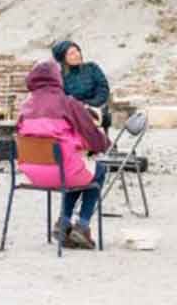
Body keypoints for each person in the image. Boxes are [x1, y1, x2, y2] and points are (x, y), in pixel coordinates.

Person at [16, 60, 111, 249]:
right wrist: (102, 144)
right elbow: (94, 136)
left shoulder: (25, 106)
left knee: (73, 171)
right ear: (57, 79)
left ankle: (64, 222)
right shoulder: (67, 103)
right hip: (63, 172)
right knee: (97, 170)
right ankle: (82, 226)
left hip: (33, 175)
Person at [51, 40, 111, 132]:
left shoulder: (92, 68)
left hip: (95, 109)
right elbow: (61, 99)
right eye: (71, 53)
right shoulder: (59, 77)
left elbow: (103, 89)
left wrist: (89, 105)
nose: (77, 55)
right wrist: (79, 107)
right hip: (73, 114)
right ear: (63, 58)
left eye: (77, 51)